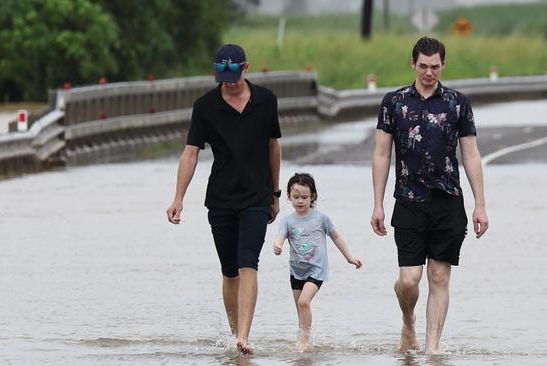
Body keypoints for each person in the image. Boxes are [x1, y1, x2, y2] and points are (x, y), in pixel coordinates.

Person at [370, 36, 489, 354]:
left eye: (435, 66)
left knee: (439, 276)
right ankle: (408, 322)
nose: (428, 72)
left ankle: (432, 350)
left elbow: (471, 155)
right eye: (423, 66)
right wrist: (377, 203)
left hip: (448, 201)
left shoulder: (457, 103)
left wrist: (480, 204)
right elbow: (382, 154)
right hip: (408, 200)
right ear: (413, 64)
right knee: (409, 280)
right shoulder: (394, 103)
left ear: (443, 65)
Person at [166, 43, 282, 355]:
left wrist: (275, 192)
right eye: (223, 76)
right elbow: (191, 153)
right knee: (229, 269)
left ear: (246, 68)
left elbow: (274, 145)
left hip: (257, 195)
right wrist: (178, 198)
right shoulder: (204, 106)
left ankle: (244, 335)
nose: (228, 82)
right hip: (220, 198)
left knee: (249, 263)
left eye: (233, 75)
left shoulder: (266, 101)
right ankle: (235, 334)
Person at [273, 172, 362, 351]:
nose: (300, 201)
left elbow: (336, 237)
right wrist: (277, 244)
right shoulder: (287, 221)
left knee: (303, 302)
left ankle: (305, 342)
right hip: (296, 271)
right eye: (295, 196)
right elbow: (280, 236)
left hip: (316, 270)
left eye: (304, 197)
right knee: (301, 309)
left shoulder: (321, 218)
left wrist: (349, 257)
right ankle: (304, 341)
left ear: (312, 196)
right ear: (289, 196)